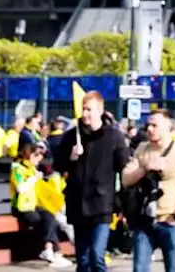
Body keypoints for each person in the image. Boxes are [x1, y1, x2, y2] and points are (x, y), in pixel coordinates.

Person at [55, 91, 132, 272]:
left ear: (100, 110)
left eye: (89, 109)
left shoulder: (114, 136)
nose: (85, 114)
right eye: (83, 109)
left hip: (102, 203)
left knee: (97, 255)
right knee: (83, 260)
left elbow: (124, 168)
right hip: (78, 203)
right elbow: (58, 165)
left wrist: (123, 202)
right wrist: (71, 157)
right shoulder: (71, 137)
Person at [121, 109, 175, 272]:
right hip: (144, 221)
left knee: (171, 268)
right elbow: (125, 179)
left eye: (154, 125)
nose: (149, 129)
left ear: (168, 128)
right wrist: (145, 168)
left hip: (169, 221)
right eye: (148, 125)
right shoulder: (142, 149)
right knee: (139, 268)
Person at [10, 142, 69, 267]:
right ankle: (56, 252)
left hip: (33, 205)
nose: (39, 159)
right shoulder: (17, 170)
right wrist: (33, 179)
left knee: (49, 216)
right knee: (41, 221)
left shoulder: (32, 169)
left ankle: (49, 250)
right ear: (30, 156)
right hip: (21, 207)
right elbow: (21, 188)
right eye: (37, 156)